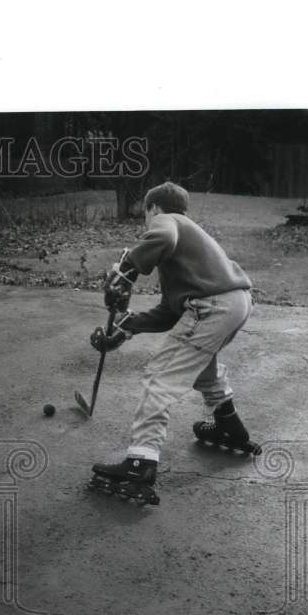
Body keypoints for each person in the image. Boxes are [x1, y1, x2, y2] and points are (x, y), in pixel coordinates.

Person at [87, 181, 258, 503]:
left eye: (145, 217)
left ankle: (141, 462)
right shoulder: (190, 244)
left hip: (213, 307)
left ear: (153, 208)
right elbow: (170, 312)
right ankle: (230, 427)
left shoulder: (168, 222)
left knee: (160, 377)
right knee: (203, 368)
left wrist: (126, 270)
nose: (147, 225)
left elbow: (160, 236)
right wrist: (128, 327)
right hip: (236, 302)